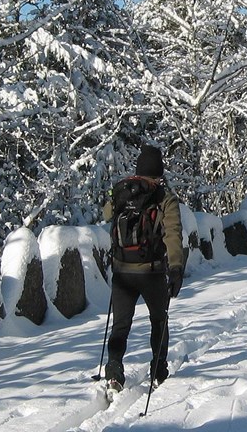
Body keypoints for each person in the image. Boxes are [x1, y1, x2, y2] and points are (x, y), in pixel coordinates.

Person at [103, 143, 184, 392]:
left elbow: (107, 215)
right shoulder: (165, 198)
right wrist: (176, 268)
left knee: (120, 325)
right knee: (159, 320)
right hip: (152, 271)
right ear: (160, 172)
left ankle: (114, 370)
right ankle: (158, 369)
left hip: (122, 271)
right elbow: (173, 234)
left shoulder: (122, 191)